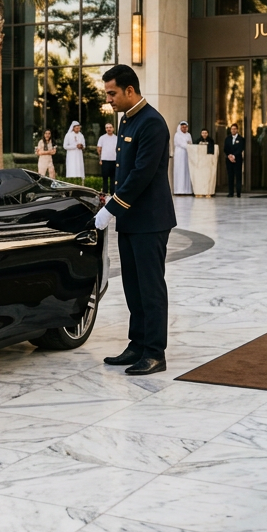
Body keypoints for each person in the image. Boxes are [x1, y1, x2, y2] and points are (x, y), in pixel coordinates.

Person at [92, 65, 177, 376]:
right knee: (133, 286)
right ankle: (137, 344)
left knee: (150, 288)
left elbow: (141, 174)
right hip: (130, 219)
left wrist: (111, 208)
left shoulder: (152, 123)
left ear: (130, 90)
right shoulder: (128, 120)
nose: (109, 100)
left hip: (150, 220)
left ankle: (155, 352)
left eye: (112, 93)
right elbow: (123, 173)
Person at [172, 121, 193, 195]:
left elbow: (190, 143)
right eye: (183, 127)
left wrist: (188, 145)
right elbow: (180, 143)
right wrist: (187, 145)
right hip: (179, 154)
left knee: (186, 171)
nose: (184, 128)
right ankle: (179, 190)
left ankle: (187, 190)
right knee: (180, 171)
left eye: (185, 127)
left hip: (187, 154)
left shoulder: (188, 135)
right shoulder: (177, 135)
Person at [224, 124, 244, 197]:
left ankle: (238, 192)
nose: (233, 130)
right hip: (229, 160)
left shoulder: (241, 139)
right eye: (232, 129)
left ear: (237, 130)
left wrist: (234, 156)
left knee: (238, 176)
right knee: (230, 176)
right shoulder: (227, 139)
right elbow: (225, 149)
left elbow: (240, 149)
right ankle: (231, 192)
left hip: (237, 160)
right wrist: (229, 155)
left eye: (235, 129)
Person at [98, 123, 118, 193]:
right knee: (105, 179)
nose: (108, 129)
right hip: (105, 160)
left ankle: (113, 194)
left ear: (113, 128)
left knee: (113, 178)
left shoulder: (116, 138)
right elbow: (99, 149)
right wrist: (100, 159)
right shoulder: (102, 138)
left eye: (110, 127)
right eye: (107, 128)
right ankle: (105, 193)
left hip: (114, 160)